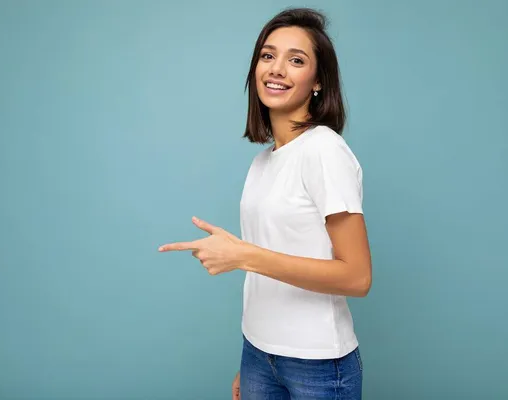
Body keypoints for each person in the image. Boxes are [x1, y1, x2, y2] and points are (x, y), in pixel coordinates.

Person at [159, 7, 372, 400]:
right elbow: (267, 268)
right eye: (267, 56)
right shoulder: (263, 161)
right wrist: (251, 361)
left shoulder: (324, 150)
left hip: (318, 366)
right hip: (259, 353)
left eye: (296, 60)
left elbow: (357, 277)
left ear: (318, 82)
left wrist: (243, 255)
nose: (276, 69)